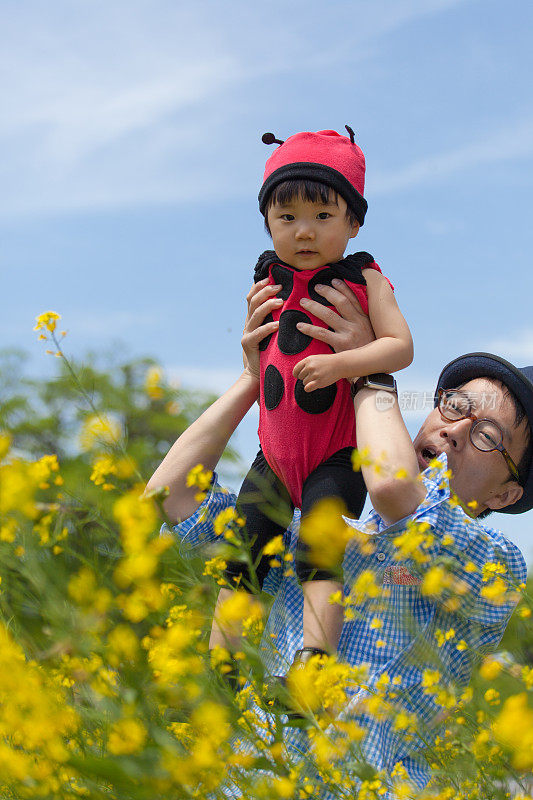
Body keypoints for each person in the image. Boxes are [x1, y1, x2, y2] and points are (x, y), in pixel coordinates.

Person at [147, 280, 532, 793]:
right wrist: (252, 378)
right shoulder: (315, 526)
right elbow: (171, 495)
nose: (454, 430)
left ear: (507, 496)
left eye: (488, 437)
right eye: (455, 405)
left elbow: (394, 488)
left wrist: (368, 368)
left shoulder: (494, 565)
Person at [219, 127, 413, 678]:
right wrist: (250, 360)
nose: (304, 231)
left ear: (354, 223)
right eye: (287, 219)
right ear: (267, 224)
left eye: (324, 217)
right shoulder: (267, 280)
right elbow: (260, 359)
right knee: (242, 556)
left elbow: (400, 348)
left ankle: (315, 665)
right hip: (273, 455)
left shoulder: (366, 279)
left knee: (318, 554)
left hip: (335, 451)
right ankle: (221, 665)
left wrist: (342, 364)